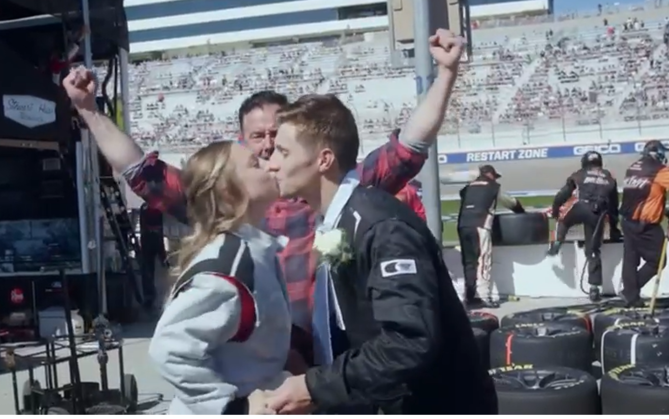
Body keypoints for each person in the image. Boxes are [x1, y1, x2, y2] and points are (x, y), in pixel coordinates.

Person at [61, 28, 464, 364]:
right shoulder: (230, 200)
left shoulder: (334, 187)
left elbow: (408, 148)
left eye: (278, 134)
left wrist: (445, 74)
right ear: (242, 140)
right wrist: (90, 112)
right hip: (269, 367)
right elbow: (143, 174)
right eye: (258, 137)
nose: (269, 146)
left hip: (339, 359)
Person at [263, 94, 497, 415]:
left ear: (323, 160)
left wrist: (314, 386)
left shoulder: (381, 226)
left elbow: (409, 341)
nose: (271, 161)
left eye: (283, 151)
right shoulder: (337, 218)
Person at [147, 141, 291, 415]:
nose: (270, 164)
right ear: (228, 190)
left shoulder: (252, 251)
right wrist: (230, 407)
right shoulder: (231, 265)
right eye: (255, 162)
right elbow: (170, 349)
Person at [547, 151, 621, 302]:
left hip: (580, 206)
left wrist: (555, 210)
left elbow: (563, 194)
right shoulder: (609, 177)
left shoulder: (580, 174)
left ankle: (558, 241)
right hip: (597, 213)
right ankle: (594, 288)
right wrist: (614, 227)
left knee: (563, 220)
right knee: (593, 250)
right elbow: (614, 206)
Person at [619, 140, 669, 307]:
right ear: (657, 154)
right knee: (657, 261)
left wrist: (663, 208)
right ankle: (630, 292)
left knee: (630, 259)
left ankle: (631, 296)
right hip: (645, 224)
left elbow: (646, 195)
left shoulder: (632, 167)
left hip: (627, 220)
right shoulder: (659, 170)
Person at [457, 164, 525, 308]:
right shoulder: (493, 187)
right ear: (490, 175)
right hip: (480, 225)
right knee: (483, 261)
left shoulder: (467, 187)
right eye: (494, 176)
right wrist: (521, 212)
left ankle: (469, 296)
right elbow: (510, 202)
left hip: (463, 225)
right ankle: (484, 296)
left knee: (469, 262)